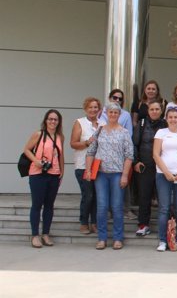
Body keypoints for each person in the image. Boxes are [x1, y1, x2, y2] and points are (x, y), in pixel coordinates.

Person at [86, 101, 134, 250]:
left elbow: (129, 156)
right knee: (101, 206)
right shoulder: (99, 130)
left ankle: (118, 238)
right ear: (106, 114)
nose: (113, 114)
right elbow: (91, 151)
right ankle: (102, 238)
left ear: (119, 115)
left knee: (117, 206)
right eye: (110, 112)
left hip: (117, 174)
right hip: (101, 174)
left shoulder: (124, 132)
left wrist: (125, 175)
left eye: (116, 112)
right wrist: (88, 170)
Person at [153, 106, 177, 252]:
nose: (173, 119)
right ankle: (163, 241)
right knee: (164, 209)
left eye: (175, 117)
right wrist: (167, 173)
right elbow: (156, 154)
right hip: (163, 175)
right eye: (170, 117)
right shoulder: (161, 133)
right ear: (166, 118)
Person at [24, 109, 65, 248]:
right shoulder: (39, 134)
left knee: (49, 205)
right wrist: (36, 160)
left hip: (54, 174)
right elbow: (26, 149)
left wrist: (62, 172)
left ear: (59, 122)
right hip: (38, 174)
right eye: (50, 119)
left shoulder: (60, 137)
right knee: (37, 204)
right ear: (45, 120)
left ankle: (45, 234)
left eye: (55, 119)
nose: (53, 121)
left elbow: (61, 155)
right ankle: (35, 235)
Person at [132, 101, 166, 237]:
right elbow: (134, 144)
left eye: (157, 109)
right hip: (145, 165)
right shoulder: (141, 124)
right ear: (148, 111)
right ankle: (143, 225)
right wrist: (136, 161)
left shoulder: (166, 124)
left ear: (161, 111)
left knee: (164, 197)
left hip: (163, 166)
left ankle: (167, 225)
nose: (154, 111)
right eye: (152, 109)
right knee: (144, 197)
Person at [71, 97, 104, 235]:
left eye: (95, 107)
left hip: (99, 165)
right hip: (83, 165)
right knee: (88, 195)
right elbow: (73, 143)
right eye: (90, 107)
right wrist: (87, 142)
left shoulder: (103, 124)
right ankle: (84, 223)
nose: (93, 110)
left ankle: (95, 223)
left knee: (97, 196)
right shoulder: (80, 123)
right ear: (85, 109)